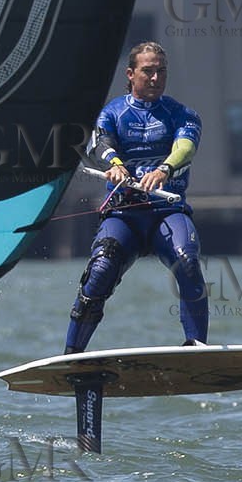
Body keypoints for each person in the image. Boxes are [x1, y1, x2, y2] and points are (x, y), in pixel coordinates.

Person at [64, 41, 208, 353]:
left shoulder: (182, 114)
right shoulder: (112, 113)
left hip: (166, 213)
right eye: (148, 72)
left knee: (187, 261)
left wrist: (165, 169)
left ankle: (196, 347)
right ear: (131, 74)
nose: (156, 78)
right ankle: (73, 355)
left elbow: (186, 147)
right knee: (99, 271)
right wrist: (115, 165)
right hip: (124, 215)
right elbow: (100, 143)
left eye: (161, 71)